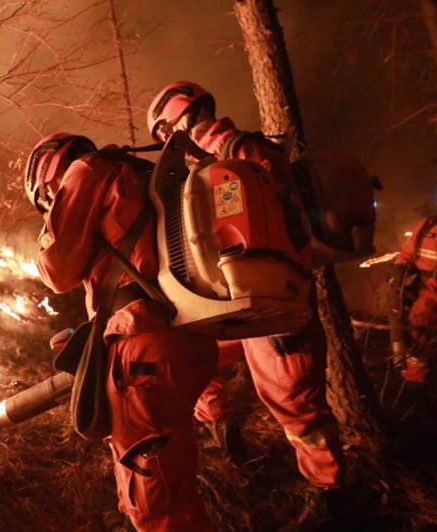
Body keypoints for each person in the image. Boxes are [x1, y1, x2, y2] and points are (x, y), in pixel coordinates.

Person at [148, 81, 346, 522]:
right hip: (230, 304)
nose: (165, 143)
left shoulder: (241, 151)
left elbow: (272, 225)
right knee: (194, 366)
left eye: (163, 132)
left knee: (296, 403)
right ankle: (230, 443)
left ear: (176, 120)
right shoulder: (204, 163)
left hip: (273, 305)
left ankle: (331, 497)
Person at [26, 133, 219, 531]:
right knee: (169, 480)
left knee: (156, 503)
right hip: (187, 335)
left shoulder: (87, 171)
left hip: (142, 346)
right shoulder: (142, 173)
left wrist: (52, 220)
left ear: (48, 178)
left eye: (49, 198)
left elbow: (56, 271)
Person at [390, 214, 437, 387]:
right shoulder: (429, 224)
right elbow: (408, 252)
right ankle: (414, 382)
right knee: (418, 330)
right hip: (428, 291)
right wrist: (400, 266)